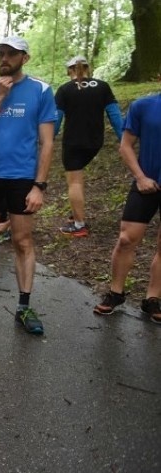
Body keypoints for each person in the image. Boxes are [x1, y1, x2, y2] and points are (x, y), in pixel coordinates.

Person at [0, 36, 56, 335]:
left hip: (22, 179)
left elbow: (47, 142)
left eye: (11, 54)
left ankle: (24, 305)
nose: (4, 58)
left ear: (24, 58)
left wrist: (39, 186)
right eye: (1, 53)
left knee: (22, 241)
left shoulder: (41, 91)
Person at [93, 92, 160, 324]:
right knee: (126, 239)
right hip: (146, 183)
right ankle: (115, 293)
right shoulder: (143, 106)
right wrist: (140, 177)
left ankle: (152, 299)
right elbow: (125, 146)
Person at [54, 56, 123, 237]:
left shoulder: (64, 90)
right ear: (88, 68)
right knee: (78, 179)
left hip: (73, 143)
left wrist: (48, 138)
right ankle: (76, 212)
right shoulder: (103, 86)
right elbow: (114, 115)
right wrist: (123, 139)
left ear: (69, 71)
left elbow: (56, 119)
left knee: (75, 181)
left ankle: (79, 225)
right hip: (95, 143)